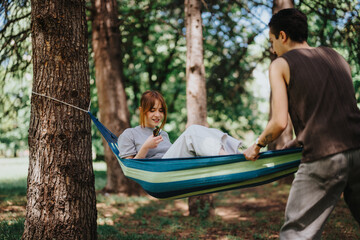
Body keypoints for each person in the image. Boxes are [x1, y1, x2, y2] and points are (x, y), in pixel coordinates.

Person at [243, 8, 360, 239]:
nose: (272, 48)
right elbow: (333, 111)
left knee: (296, 234)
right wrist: (298, 140)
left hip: (324, 158)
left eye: (272, 41)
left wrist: (257, 145)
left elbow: (278, 122)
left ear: (283, 36)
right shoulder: (336, 57)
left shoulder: (280, 64)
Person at [117, 90, 242, 159]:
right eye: (152, 110)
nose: (158, 115)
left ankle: (238, 154)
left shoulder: (163, 134)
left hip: (174, 163)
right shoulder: (129, 134)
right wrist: (145, 147)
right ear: (141, 110)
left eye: (161, 110)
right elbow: (131, 168)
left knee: (209, 132)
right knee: (192, 131)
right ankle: (230, 159)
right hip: (160, 171)